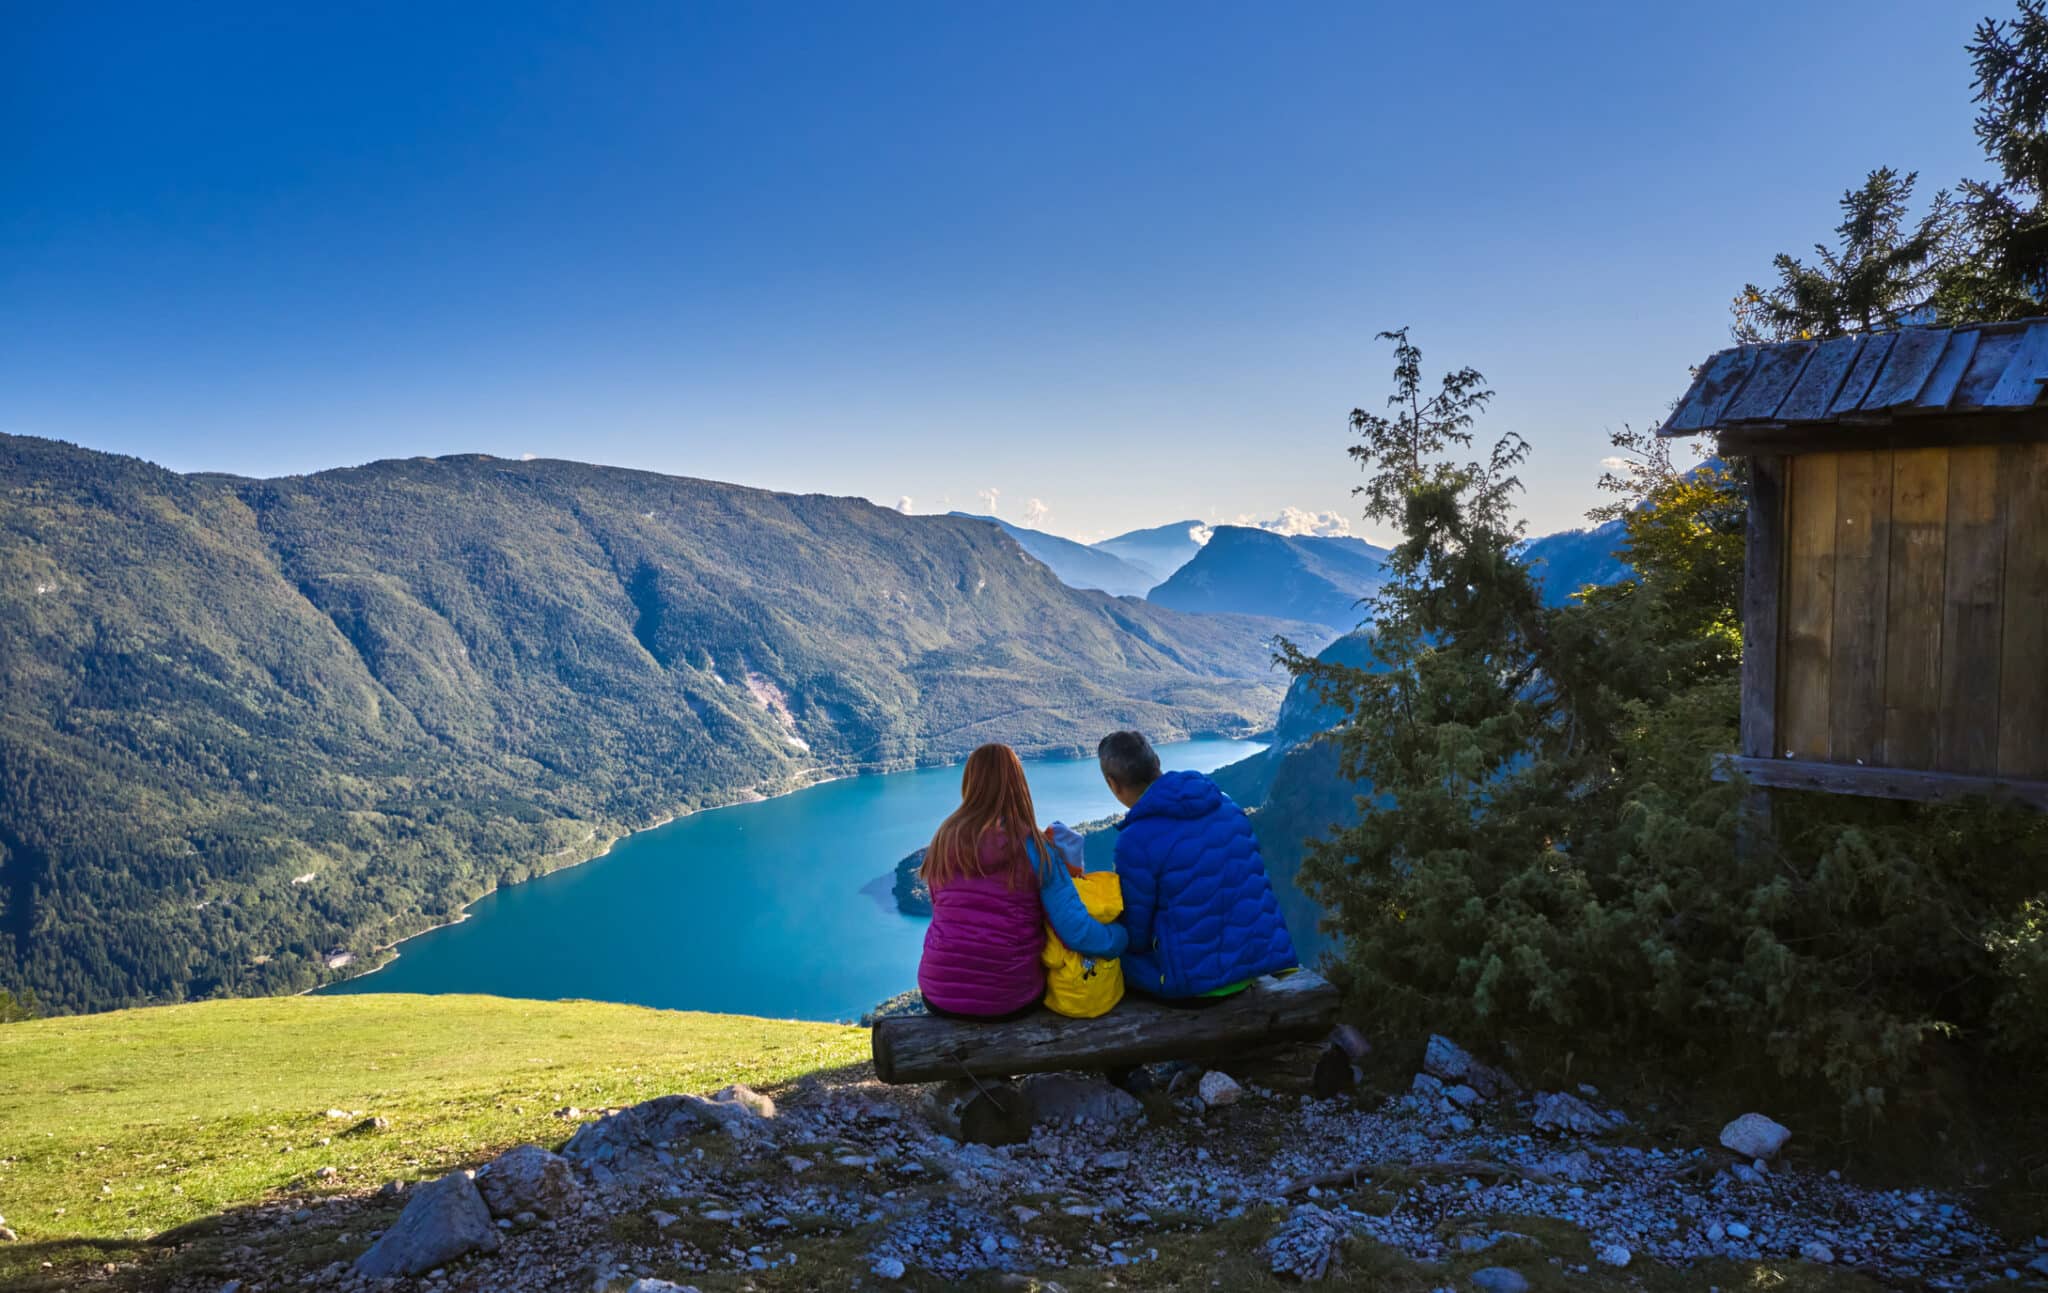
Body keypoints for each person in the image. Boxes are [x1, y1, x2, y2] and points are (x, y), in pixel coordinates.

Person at [917, 743, 1128, 1019]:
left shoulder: (944, 840)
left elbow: (946, 912)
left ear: (969, 783)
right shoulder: (1035, 849)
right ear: (1019, 785)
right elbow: (1075, 931)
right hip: (1011, 997)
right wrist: (1120, 938)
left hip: (939, 994)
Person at [1097, 729, 1296, 1000]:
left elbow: (1136, 934)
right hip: (1253, 964)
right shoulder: (1225, 804)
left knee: (1098, 965)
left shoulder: (1136, 840)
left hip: (1195, 986)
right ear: (1157, 762)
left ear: (1113, 783)